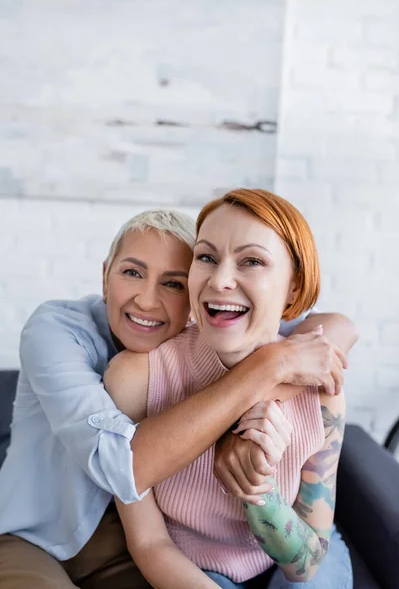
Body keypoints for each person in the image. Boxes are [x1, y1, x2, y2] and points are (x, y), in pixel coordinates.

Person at [0, 207, 356, 589]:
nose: (147, 301)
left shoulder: (210, 327)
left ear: (192, 294)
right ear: (105, 277)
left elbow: (332, 328)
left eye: (172, 283)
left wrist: (276, 378)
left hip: (133, 543)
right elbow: (124, 467)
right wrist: (269, 368)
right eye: (132, 272)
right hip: (38, 535)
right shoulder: (56, 331)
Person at [104, 189, 354, 589]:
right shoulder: (137, 378)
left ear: (293, 288)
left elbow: (304, 565)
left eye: (252, 261)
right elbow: (149, 543)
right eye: (206, 257)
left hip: (290, 553)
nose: (220, 281)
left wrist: (260, 494)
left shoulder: (321, 387)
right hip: (193, 564)